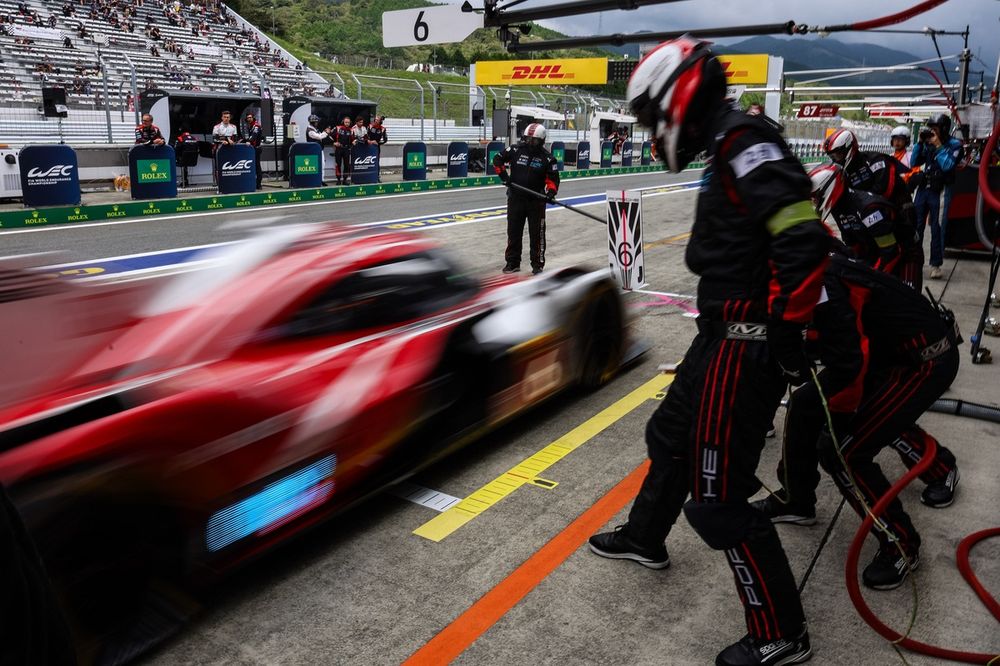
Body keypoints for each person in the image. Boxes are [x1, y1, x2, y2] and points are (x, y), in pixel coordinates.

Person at [588, 38, 830, 666]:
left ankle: (781, 633)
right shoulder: (726, 143)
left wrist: (786, 333)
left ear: (679, 96)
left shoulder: (746, 141)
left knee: (717, 502)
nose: (650, 129)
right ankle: (645, 537)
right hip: (717, 337)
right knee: (668, 435)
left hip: (745, 345)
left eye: (650, 115)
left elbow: (801, 238)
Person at [754, 248, 960, 590]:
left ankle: (901, 545)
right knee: (805, 404)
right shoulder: (790, 268)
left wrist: (839, 420)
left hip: (922, 360)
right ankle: (797, 498)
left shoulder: (823, 287)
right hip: (884, 351)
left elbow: (850, 365)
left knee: (845, 449)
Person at [823, 128, 923, 288]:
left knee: (908, 293)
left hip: (901, 219)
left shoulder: (877, 161)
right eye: (832, 156)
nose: (836, 159)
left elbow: (885, 192)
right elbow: (850, 238)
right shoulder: (842, 179)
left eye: (838, 154)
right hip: (876, 230)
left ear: (850, 148)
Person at [809, 163, 921, 289]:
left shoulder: (868, 208)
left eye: (816, 197)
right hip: (877, 251)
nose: (815, 203)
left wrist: (870, 279)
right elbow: (853, 246)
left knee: (908, 299)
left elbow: (891, 251)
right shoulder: (838, 208)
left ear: (829, 189)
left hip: (907, 252)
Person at [492, 123, 559, 275]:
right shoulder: (515, 150)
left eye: (533, 140)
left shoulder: (548, 159)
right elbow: (497, 159)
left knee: (537, 234)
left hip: (536, 201)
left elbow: (553, 180)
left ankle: (537, 265)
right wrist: (504, 177)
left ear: (541, 140)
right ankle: (512, 262)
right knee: (513, 232)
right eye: (527, 139)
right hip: (515, 197)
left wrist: (550, 193)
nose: (529, 142)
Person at [910, 114, 963, 280]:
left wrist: (939, 146)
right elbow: (914, 163)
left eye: (935, 128)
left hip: (939, 191)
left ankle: (936, 265)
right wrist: (919, 143)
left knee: (937, 228)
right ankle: (914, 261)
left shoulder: (955, 145)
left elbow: (948, 166)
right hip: (923, 189)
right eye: (930, 127)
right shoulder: (926, 142)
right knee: (915, 225)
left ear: (944, 129)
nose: (932, 131)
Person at [306, 114, 331, 185]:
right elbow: (319, 137)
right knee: (314, 166)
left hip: (319, 149)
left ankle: (321, 180)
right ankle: (314, 180)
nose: (317, 123)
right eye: (316, 122)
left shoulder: (315, 129)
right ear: (313, 122)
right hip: (313, 151)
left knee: (322, 164)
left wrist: (325, 132)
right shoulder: (310, 131)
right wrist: (326, 132)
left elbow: (321, 135)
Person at [241, 111, 263, 189]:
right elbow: (249, 138)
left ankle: (259, 184)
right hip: (252, 149)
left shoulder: (256, 126)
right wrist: (242, 140)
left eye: (250, 117)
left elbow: (253, 137)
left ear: (253, 117)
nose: (249, 119)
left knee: (257, 166)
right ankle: (253, 183)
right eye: (248, 118)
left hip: (256, 149)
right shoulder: (250, 125)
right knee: (252, 166)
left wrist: (248, 141)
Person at [331, 115, 354, 185]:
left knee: (346, 165)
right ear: (343, 122)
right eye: (346, 122)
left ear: (350, 123)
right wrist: (333, 143)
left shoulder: (351, 130)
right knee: (338, 164)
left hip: (346, 149)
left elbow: (353, 140)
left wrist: (352, 144)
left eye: (348, 122)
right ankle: (338, 180)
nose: (347, 123)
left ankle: (344, 180)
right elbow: (329, 136)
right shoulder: (337, 128)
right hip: (338, 149)